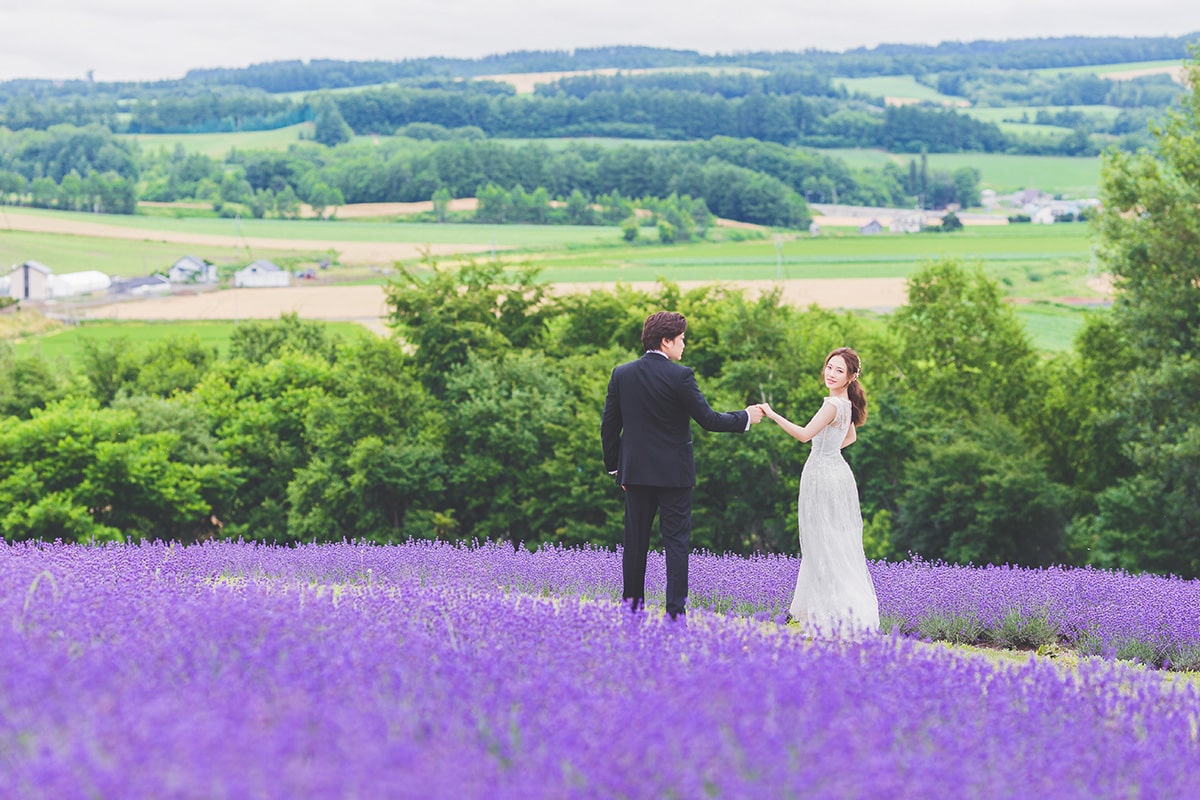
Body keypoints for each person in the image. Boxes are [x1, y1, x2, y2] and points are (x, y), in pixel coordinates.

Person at [601, 311, 764, 620]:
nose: (684, 345)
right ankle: (675, 614)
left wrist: (616, 468)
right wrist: (745, 417)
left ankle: (631, 611)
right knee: (676, 543)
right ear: (666, 341)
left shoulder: (622, 374)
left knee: (634, 543)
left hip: (634, 474)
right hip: (675, 475)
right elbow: (709, 420)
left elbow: (609, 427)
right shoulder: (680, 376)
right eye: (682, 339)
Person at [758, 347, 879, 638]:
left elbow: (803, 435)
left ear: (850, 377)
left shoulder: (833, 405)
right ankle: (830, 612)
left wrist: (772, 414)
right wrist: (829, 451)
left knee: (822, 543)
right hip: (837, 472)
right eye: (829, 367)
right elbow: (850, 436)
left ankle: (831, 615)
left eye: (839, 370)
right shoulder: (847, 403)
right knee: (834, 541)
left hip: (822, 475)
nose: (831, 373)